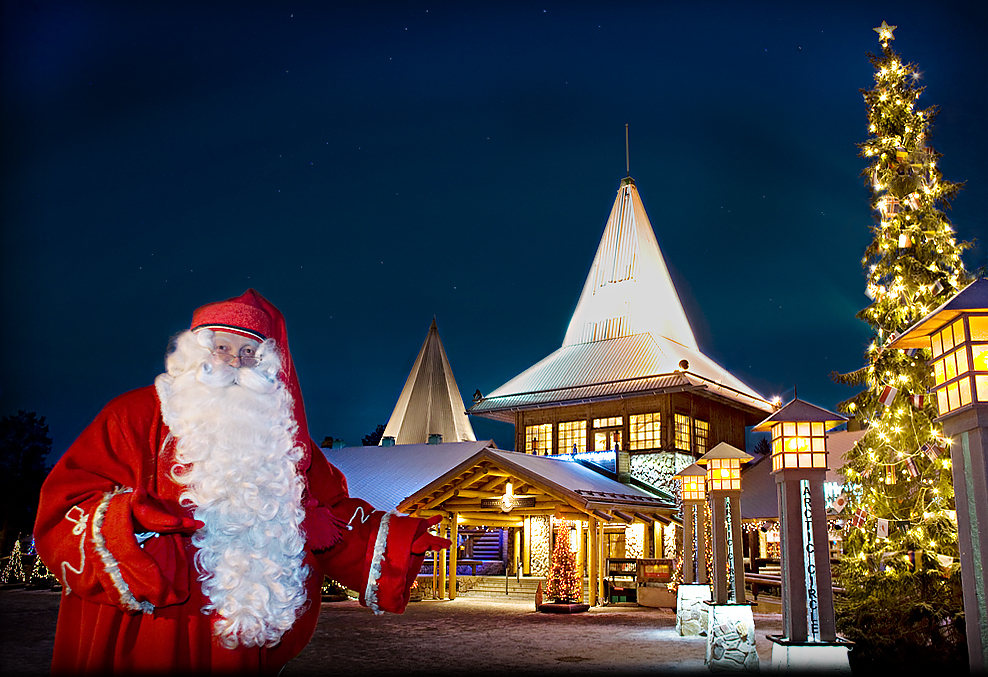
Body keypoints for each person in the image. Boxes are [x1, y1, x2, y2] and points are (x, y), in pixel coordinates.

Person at [35, 289, 449, 675]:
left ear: (266, 365)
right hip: (149, 624)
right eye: (223, 348)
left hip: (236, 632)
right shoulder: (133, 416)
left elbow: (332, 515)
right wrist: (131, 524)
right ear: (197, 353)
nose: (235, 361)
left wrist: (396, 539)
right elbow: (64, 504)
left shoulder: (286, 439)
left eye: (249, 352)